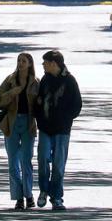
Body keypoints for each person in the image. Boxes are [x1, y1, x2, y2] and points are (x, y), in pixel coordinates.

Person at [34, 49, 82, 210]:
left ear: (54, 64)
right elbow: (39, 101)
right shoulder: (45, 80)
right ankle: (43, 190)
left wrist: (66, 118)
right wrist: (39, 116)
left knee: (58, 164)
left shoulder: (69, 80)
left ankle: (57, 197)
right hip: (45, 128)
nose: (43, 65)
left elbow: (77, 105)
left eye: (45, 63)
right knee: (42, 160)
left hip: (62, 130)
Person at [0, 52, 40, 210]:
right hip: (12, 123)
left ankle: (29, 195)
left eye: (24, 61)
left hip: (28, 123)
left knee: (26, 161)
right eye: (19, 61)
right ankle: (18, 197)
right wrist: (12, 92)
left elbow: (39, 104)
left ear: (29, 64)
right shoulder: (10, 80)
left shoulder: (35, 82)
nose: (20, 63)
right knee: (13, 162)